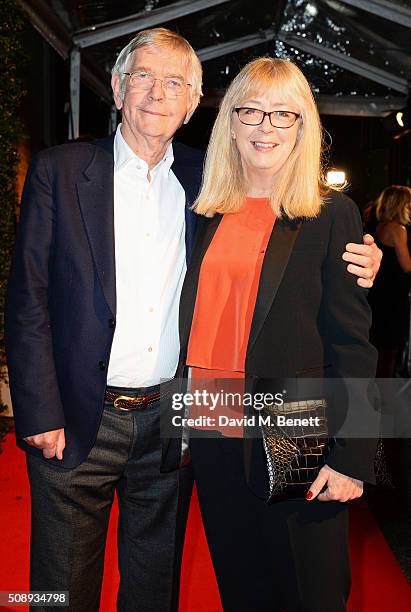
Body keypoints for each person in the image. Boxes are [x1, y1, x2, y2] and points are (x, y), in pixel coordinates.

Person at [5, 27, 380, 612]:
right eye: (144, 77)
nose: (157, 93)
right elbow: (26, 298)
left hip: (211, 422)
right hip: (105, 418)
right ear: (118, 86)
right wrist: (36, 407)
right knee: (55, 589)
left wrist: (355, 454)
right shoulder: (91, 174)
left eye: (175, 82)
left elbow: (350, 338)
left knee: (177, 588)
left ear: (193, 102)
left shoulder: (233, 190)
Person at [164, 57, 378, 612]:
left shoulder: (331, 214)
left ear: (303, 127)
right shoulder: (203, 207)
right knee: (243, 590)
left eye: (283, 114)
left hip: (295, 423)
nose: (266, 126)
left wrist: (354, 456)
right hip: (211, 422)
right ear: (230, 122)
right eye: (252, 111)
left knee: (309, 594)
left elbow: (354, 345)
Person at [367, 185, 411, 377]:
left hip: (380, 294)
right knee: (389, 352)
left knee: (379, 349)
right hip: (393, 299)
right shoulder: (397, 229)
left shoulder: (379, 225)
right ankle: (385, 400)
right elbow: (407, 266)